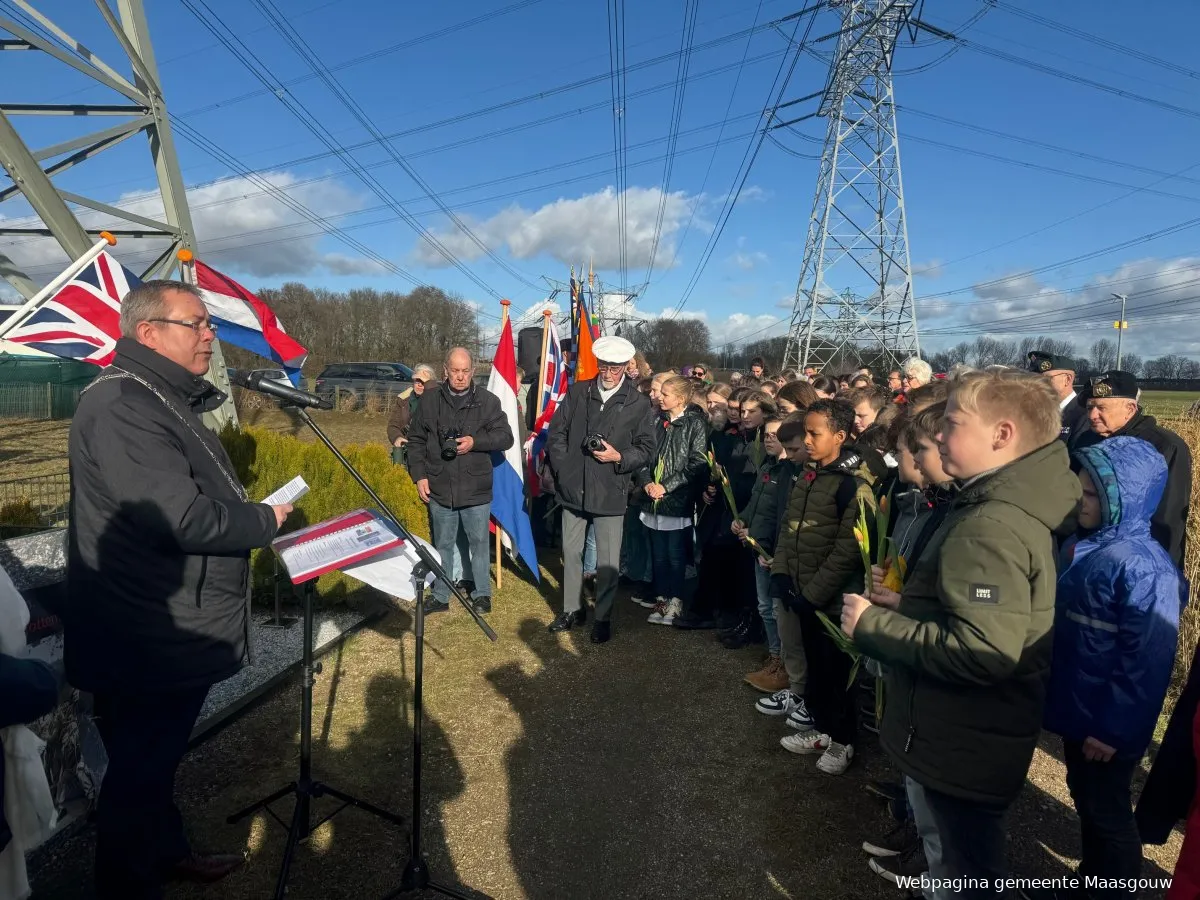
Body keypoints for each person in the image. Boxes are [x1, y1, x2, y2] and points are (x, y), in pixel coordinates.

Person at [64, 280, 292, 898]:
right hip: (145, 628)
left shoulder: (158, 396)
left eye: (208, 324)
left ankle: (167, 853)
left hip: (166, 620)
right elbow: (178, 517)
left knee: (154, 763)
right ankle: (129, 884)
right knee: (137, 771)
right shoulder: (120, 404)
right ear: (149, 332)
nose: (209, 335)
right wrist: (261, 521)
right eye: (196, 324)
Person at [844, 369, 1080, 899]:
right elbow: (988, 617)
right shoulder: (992, 505)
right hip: (966, 734)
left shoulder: (989, 523)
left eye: (952, 424)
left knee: (962, 873)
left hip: (958, 740)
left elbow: (983, 652)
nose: (941, 436)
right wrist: (910, 605)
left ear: (1001, 435)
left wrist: (874, 626)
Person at [1026, 437, 1184, 900]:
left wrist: (1114, 729)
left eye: (1092, 495)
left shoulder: (1143, 568)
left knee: (1108, 810)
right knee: (1087, 798)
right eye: (1079, 490)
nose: (1081, 501)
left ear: (1124, 499)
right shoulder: (1085, 546)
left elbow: (1147, 663)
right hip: (1082, 708)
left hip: (1106, 725)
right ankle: (1091, 883)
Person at [767, 399, 878, 776]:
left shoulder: (853, 486)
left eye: (816, 434)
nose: (808, 441)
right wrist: (782, 573)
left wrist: (812, 595)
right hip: (802, 594)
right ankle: (822, 728)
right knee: (815, 668)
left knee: (837, 674)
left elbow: (846, 552)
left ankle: (843, 739)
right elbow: (789, 528)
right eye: (807, 433)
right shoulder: (809, 475)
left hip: (830, 603)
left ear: (840, 436)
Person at [546, 336, 657, 642]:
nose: (609, 373)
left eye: (616, 368)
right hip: (573, 489)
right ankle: (572, 609)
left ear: (626, 366)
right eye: (605, 367)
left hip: (611, 489)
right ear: (598, 364)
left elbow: (647, 447)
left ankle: (603, 617)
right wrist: (563, 469)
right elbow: (557, 434)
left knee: (607, 560)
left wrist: (620, 457)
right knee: (571, 551)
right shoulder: (578, 392)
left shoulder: (638, 403)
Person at [407, 347, 514, 615]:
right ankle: (441, 595)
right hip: (440, 484)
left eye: (465, 371)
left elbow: (506, 437)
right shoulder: (430, 401)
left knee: (479, 543)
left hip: (476, 487)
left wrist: (476, 442)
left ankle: (481, 595)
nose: (460, 376)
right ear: (445, 370)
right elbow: (417, 441)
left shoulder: (488, 401)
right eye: (455, 371)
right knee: (442, 543)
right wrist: (419, 475)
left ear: (473, 372)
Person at [1076, 370, 1191, 569]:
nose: (1092, 415)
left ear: (1130, 408)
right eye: (1089, 408)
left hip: (1137, 565)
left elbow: (1168, 520)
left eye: (1101, 407)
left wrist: (1164, 573)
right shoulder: (1086, 441)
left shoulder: (1164, 446)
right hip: (1087, 557)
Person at [639, 376, 709, 626]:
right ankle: (661, 597)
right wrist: (647, 482)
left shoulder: (695, 424)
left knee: (675, 554)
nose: (659, 397)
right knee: (658, 554)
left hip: (676, 499)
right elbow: (644, 454)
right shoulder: (658, 420)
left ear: (679, 399)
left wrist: (666, 487)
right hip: (652, 498)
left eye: (665, 394)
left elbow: (698, 462)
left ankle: (676, 600)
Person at [738, 414, 800, 693]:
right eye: (767, 434)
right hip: (758, 546)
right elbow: (757, 502)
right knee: (765, 607)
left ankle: (784, 665)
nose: (769, 438)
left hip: (774, 552)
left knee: (776, 609)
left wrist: (776, 552)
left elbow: (784, 517)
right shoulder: (769, 467)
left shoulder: (789, 472)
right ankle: (775, 657)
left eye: (776, 434)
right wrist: (742, 520)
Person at [1027, 351, 1089, 449]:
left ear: (1067, 380)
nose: (1038, 385)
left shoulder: (1084, 416)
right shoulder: (1037, 413)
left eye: (1046, 379)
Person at [387, 363, 436, 465]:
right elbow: (393, 425)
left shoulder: (438, 399)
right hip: (409, 450)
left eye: (423, 382)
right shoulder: (403, 399)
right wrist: (397, 437)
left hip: (431, 454)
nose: (419, 384)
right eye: (416, 380)